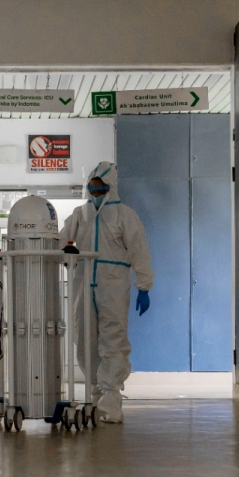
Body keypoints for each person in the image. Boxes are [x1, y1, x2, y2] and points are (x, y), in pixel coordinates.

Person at [59, 161, 153, 423]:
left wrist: (144, 286)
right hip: (83, 284)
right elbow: (60, 241)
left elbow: (139, 251)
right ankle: (94, 394)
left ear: (110, 188)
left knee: (113, 339)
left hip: (113, 286)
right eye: (92, 189)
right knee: (84, 339)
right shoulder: (80, 214)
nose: (96, 193)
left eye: (100, 189)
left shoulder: (124, 215)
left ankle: (111, 399)